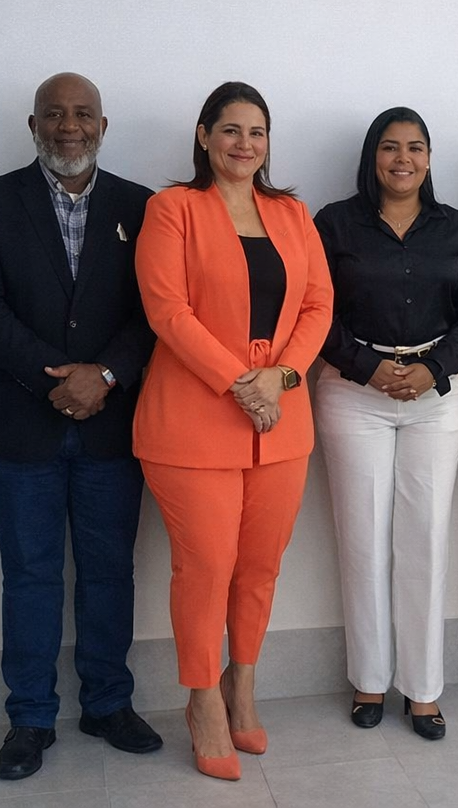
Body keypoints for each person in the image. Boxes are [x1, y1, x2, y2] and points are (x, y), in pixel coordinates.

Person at [0, 72, 162, 781]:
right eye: (54, 114)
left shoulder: (142, 206)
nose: (69, 127)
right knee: (30, 574)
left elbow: (156, 310)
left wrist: (105, 375)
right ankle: (31, 717)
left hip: (113, 424)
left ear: (104, 124)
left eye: (82, 114)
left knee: (109, 571)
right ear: (32, 124)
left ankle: (108, 704)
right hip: (19, 423)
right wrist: (59, 379)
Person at [133, 81, 332, 782]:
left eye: (257, 132)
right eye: (230, 130)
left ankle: (240, 685)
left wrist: (281, 377)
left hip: (281, 423)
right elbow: (167, 309)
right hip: (192, 424)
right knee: (207, 567)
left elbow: (318, 304)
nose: (245, 144)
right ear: (203, 135)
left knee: (259, 567)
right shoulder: (172, 209)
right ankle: (201, 701)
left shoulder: (292, 213)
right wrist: (241, 381)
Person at [313, 107, 458, 740]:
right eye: (390, 147)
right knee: (362, 539)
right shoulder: (335, 222)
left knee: (426, 538)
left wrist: (433, 369)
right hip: (352, 392)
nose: (403, 159)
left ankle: (423, 690)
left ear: (429, 158)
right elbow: (314, 310)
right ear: (373, 157)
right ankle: (368, 680)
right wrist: (367, 367)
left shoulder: (455, 227)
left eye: (415, 147)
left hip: (434, 397)